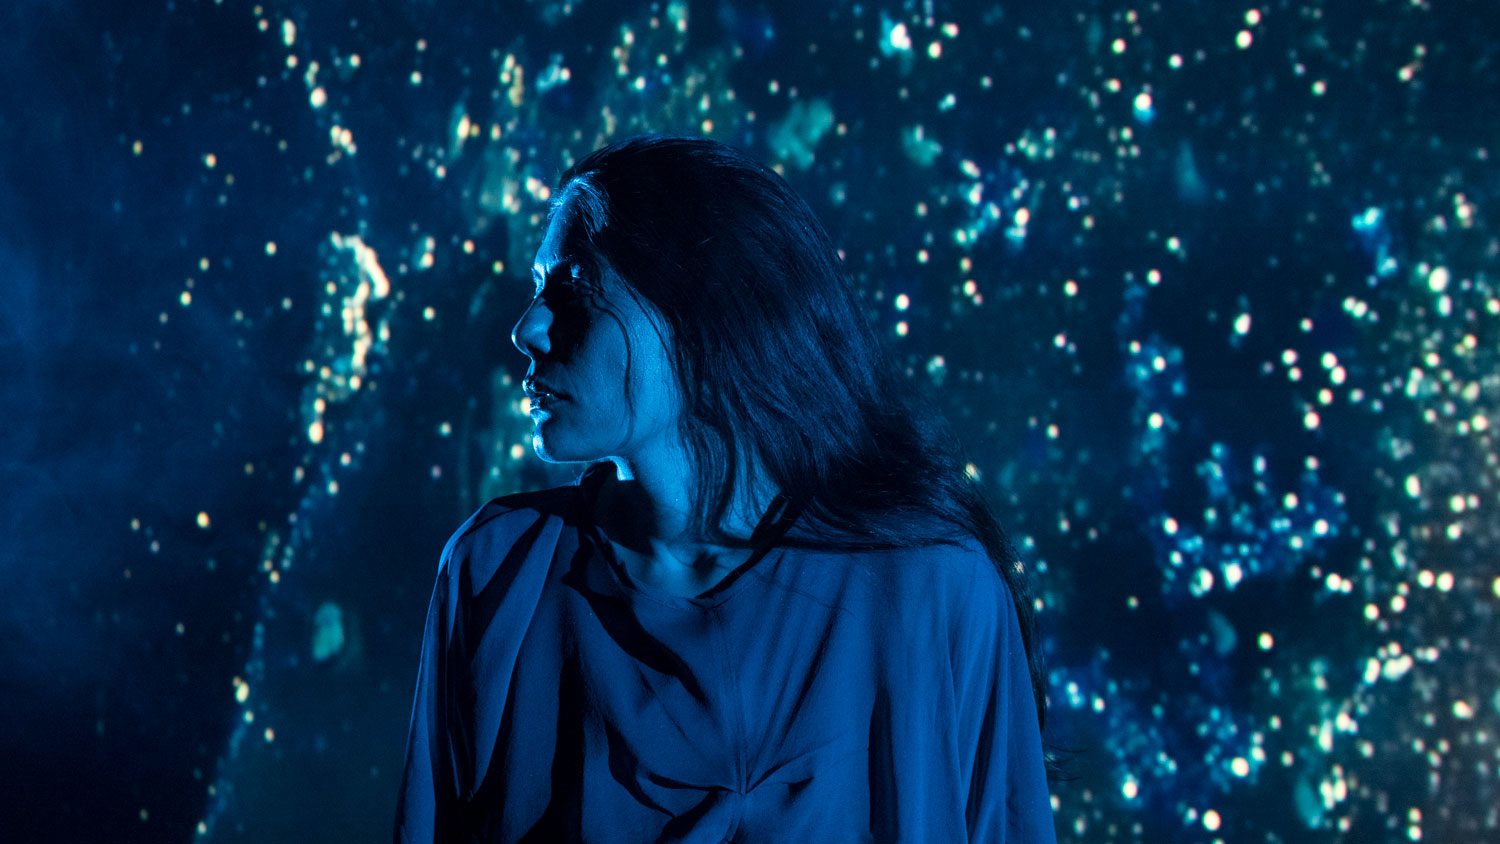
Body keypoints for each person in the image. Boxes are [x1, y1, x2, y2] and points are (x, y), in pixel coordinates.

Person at [394, 134, 1056, 843]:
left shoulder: (932, 589)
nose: (527, 329)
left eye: (572, 289)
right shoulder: (497, 573)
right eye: (536, 291)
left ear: (699, 311)